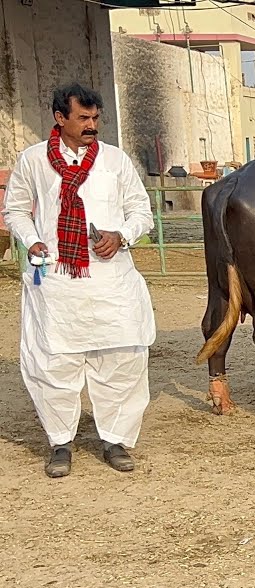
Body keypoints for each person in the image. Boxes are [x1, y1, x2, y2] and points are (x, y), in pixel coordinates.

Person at [2, 82, 155, 478]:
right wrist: (33, 240)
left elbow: (141, 211)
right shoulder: (34, 160)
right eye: (83, 118)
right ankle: (60, 442)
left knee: (121, 359)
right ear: (60, 118)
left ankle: (115, 440)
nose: (92, 125)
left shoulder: (115, 160)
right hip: (56, 280)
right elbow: (16, 210)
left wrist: (121, 235)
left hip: (111, 280)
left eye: (96, 118)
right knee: (54, 362)